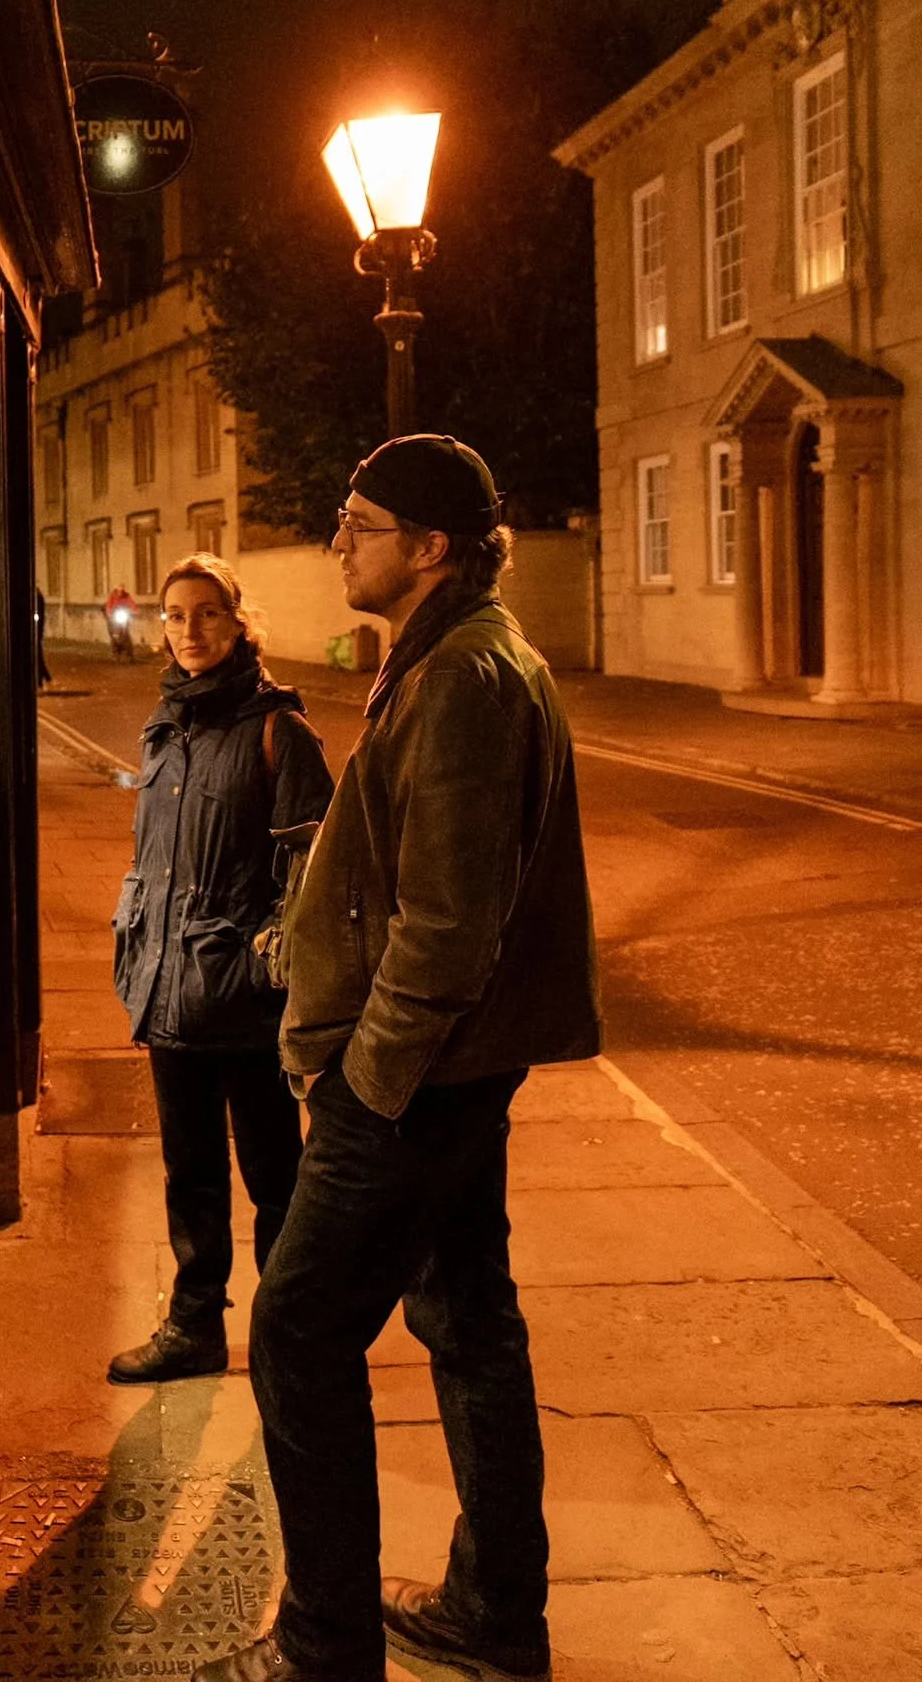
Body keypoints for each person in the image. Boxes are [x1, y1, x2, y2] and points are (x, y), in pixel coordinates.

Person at [197, 436, 601, 1682]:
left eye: (359, 525)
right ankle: (495, 1613)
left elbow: (449, 925)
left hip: (420, 1077)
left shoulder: (469, 675)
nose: (337, 544)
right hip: (453, 1070)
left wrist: (358, 1081)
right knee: (467, 1313)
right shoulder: (445, 660)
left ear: (431, 547)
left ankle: (325, 1650)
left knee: (300, 1328)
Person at [108, 553, 334, 1385]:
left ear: (240, 623)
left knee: (278, 1177)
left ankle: (289, 1337)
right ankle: (194, 1327)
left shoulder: (279, 730)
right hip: (171, 992)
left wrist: (259, 964)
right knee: (190, 1175)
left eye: (207, 613)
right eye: (174, 615)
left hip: (247, 1000)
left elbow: (320, 874)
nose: (189, 630)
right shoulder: (165, 727)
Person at [103, 582, 138, 660]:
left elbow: (132, 603)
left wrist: (134, 610)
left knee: (126, 633)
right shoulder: (113, 596)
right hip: (115, 616)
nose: (120, 592)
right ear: (116, 589)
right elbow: (109, 605)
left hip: (124, 616)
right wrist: (109, 613)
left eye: (122, 590)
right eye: (119, 590)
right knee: (114, 634)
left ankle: (130, 654)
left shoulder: (127, 596)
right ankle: (115, 653)